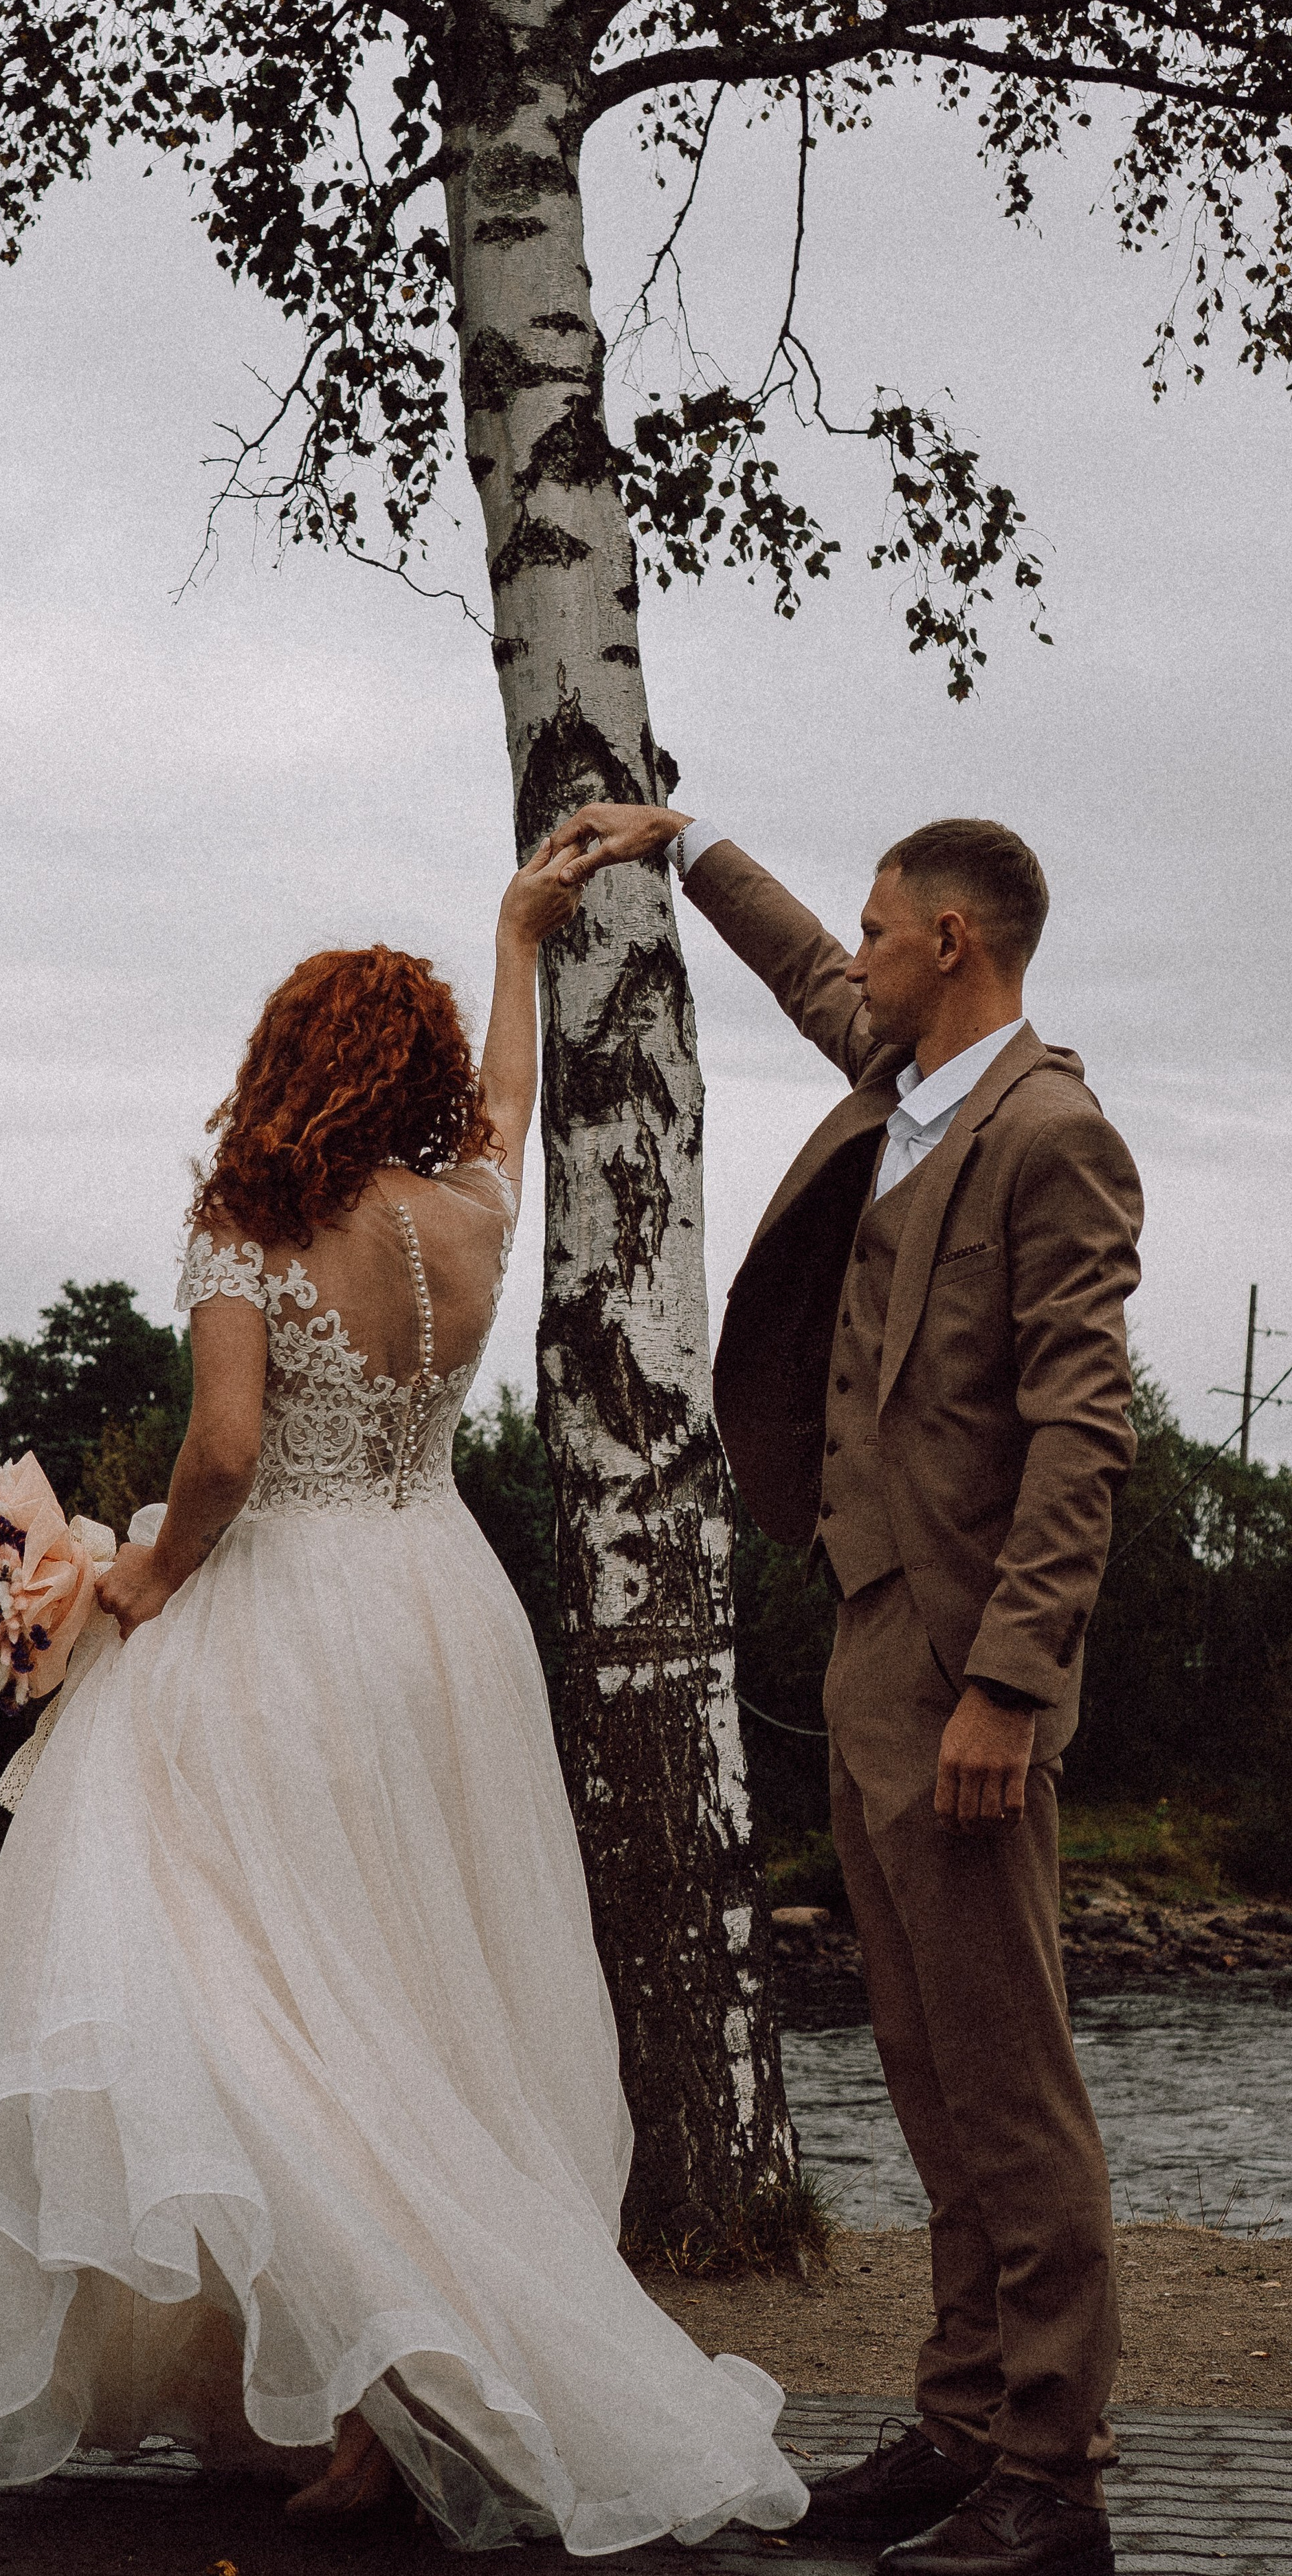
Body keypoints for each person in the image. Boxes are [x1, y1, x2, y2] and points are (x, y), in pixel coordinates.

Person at [0, 837, 808, 2553]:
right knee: (415, 2002)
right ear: (416, 1072)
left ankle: (375, 2388)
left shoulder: (249, 1222)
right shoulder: (467, 1209)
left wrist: (138, 1575)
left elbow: (222, 1451)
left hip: (281, 1611)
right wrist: (516, 939)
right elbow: (509, 1111)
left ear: (286, 1067)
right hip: (440, 1611)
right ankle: (335, 2369)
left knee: (252, 1998)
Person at [549, 805, 1141, 2576]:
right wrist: (687, 842)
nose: (860, 954)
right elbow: (809, 973)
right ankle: (964, 2420)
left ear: (952, 942)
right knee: (923, 2064)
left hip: (966, 1669)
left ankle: (1053, 2474)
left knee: (1011, 2079)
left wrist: (1009, 1689)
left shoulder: (1053, 1137)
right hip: (868, 1637)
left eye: (886, 928)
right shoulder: (907, 1085)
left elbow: (1079, 1436)